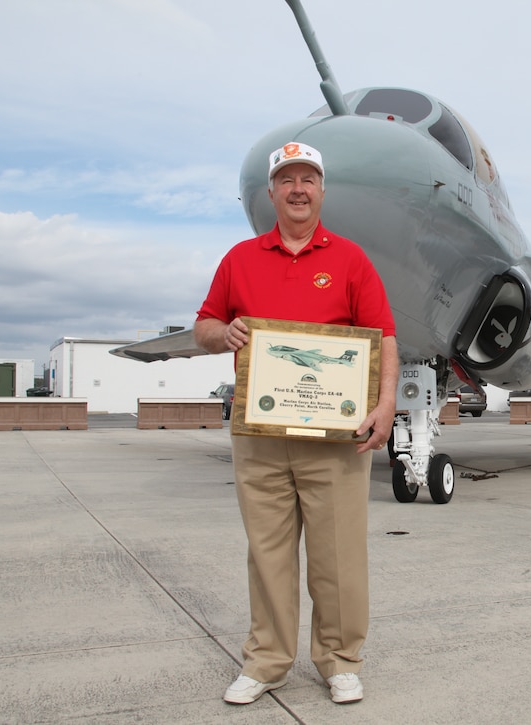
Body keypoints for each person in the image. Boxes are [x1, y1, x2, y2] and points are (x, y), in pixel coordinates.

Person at [193, 142, 398, 705]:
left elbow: (383, 337)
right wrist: (224, 333)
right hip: (259, 436)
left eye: (308, 179)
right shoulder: (240, 258)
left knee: (338, 556)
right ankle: (266, 662)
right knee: (268, 553)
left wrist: (384, 406)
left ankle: (339, 660)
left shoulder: (351, 260)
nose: (298, 189)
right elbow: (204, 325)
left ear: (322, 190)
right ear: (272, 193)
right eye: (287, 180)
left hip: (334, 438)